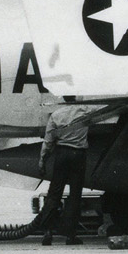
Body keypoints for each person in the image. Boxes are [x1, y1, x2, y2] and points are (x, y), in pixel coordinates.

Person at [38, 97, 91, 245]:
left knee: (54, 193)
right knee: (75, 195)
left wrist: (42, 160)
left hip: (61, 154)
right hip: (78, 155)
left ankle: (47, 232)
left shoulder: (56, 114)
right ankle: (70, 235)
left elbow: (48, 141)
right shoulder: (85, 111)